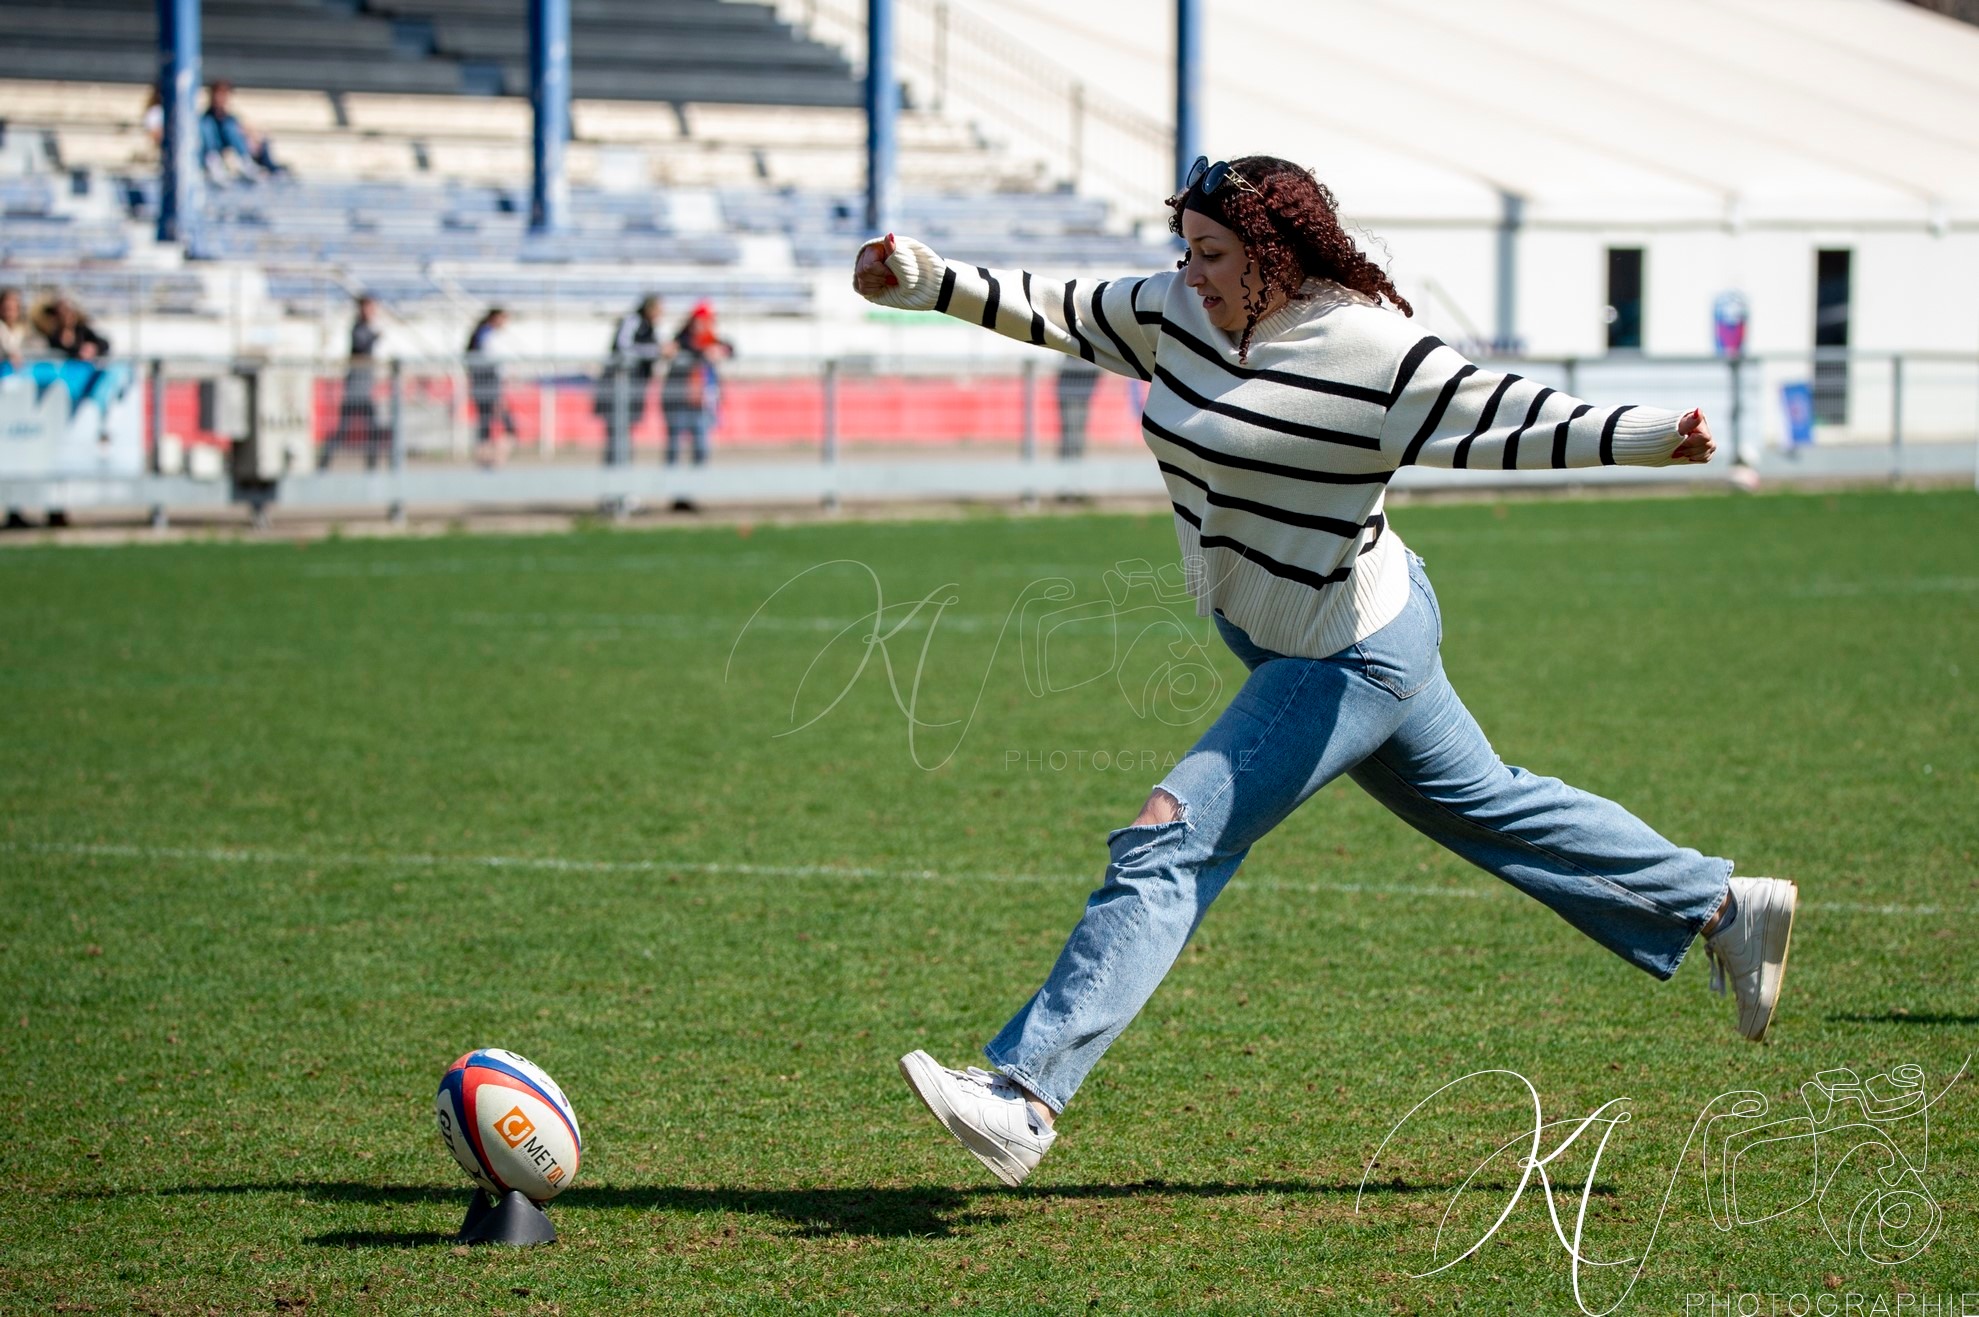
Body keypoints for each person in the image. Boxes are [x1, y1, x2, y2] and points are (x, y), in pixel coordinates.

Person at [854, 155, 1798, 1189]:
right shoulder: (1176, 311)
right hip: (1305, 630)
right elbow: (1058, 309)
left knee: (1168, 837)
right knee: (1491, 808)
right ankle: (1717, 907)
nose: (1189, 271)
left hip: (1345, 650)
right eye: (1186, 250)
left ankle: (1023, 1097)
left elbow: (1500, 411)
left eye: (1211, 254)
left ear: (1274, 255)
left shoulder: (1366, 348)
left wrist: (1651, 438)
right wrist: (921, 280)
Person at [595, 295, 670, 463]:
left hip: (635, 386)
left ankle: (622, 472)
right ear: (649, 308)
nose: (661, 314)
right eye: (659, 309)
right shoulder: (632, 320)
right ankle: (614, 474)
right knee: (616, 431)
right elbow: (624, 347)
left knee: (625, 430)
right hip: (619, 385)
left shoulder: (650, 327)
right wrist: (657, 351)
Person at [660, 301, 733, 468]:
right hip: (679, 400)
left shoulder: (712, 339)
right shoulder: (682, 338)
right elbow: (683, 347)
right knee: (674, 445)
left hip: (700, 402)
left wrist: (720, 350)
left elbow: (730, 348)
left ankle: (698, 482)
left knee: (701, 445)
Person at [321, 295, 385, 471]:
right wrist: (375, 336)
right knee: (343, 431)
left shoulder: (365, 328)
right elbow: (360, 345)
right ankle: (324, 463)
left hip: (365, 390)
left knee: (373, 430)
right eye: (369, 307)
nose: (373, 311)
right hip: (354, 391)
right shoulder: (358, 328)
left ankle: (371, 467)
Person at [199, 81, 284, 182]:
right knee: (207, 125)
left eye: (223, 96)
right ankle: (213, 162)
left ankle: (246, 162)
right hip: (212, 150)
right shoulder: (205, 119)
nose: (220, 99)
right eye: (217, 95)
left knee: (231, 127)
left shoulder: (230, 119)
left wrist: (253, 137)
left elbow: (244, 131)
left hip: (228, 149)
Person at [466, 307, 516, 468]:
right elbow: (490, 360)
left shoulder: (483, 334)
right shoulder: (487, 335)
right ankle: (490, 460)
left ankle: (488, 460)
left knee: (487, 422)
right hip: (488, 382)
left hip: (487, 383)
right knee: (498, 423)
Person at [1055, 358, 1099, 459]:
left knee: (1078, 428)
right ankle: (1068, 458)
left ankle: (1076, 458)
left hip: (1082, 394)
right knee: (1069, 428)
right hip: (1068, 393)